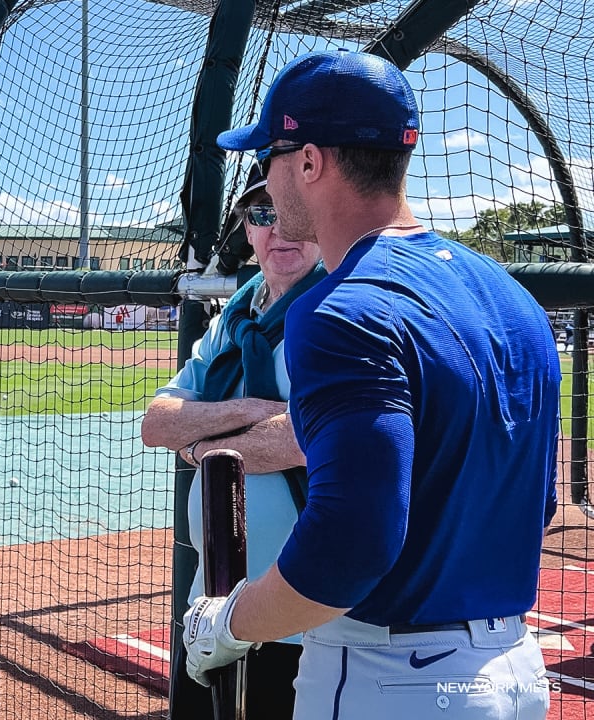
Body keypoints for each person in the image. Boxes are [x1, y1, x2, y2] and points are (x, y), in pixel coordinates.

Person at [181, 49, 560, 719]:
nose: (264, 180)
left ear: (309, 162)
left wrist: (228, 620)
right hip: (517, 673)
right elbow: (540, 506)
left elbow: (352, 548)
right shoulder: (511, 296)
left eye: (269, 157)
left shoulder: (341, 309)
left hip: (394, 678)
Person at [142, 168, 324, 718]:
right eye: (262, 214)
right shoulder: (241, 313)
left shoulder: (339, 304)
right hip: (212, 607)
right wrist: (248, 411)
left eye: (295, 212)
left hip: (303, 615)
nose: (279, 228)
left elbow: (312, 435)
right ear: (248, 228)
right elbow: (158, 422)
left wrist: (203, 446)